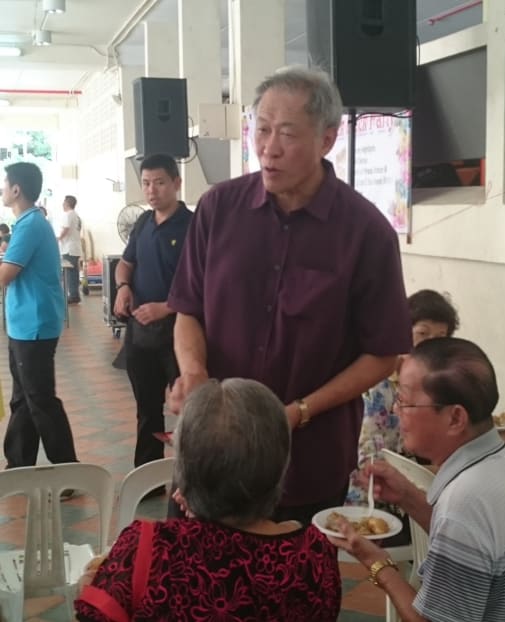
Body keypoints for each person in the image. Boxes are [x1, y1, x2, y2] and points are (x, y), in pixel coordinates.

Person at [167, 65, 411, 523]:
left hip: (306, 459)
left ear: (326, 139)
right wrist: (195, 375)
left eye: (287, 134)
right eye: (261, 130)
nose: (268, 148)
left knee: (290, 587)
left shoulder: (366, 234)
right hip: (211, 449)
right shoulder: (219, 209)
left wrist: (298, 412)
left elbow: (384, 354)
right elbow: (188, 309)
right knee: (190, 583)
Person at [330, 337, 505, 622]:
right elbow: (478, 542)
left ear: (456, 418)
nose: (396, 411)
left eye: (405, 401)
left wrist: (377, 564)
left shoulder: (465, 500)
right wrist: (408, 496)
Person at [74, 378, 341, 621]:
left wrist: (86, 591)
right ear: (280, 467)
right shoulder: (314, 554)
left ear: (184, 470)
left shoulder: (147, 547)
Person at [114, 154, 191, 481]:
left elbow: (202, 282)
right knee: (147, 410)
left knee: (188, 409)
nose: (152, 190)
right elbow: (126, 262)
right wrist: (122, 287)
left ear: (176, 183)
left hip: (180, 333)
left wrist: (166, 306)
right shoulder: (143, 223)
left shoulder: (193, 226)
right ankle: (147, 479)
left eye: (159, 182)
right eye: (146, 183)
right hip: (140, 333)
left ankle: (191, 479)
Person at [345, 289, 459, 508]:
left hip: (412, 486)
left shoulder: (441, 383)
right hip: (366, 487)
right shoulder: (378, 378)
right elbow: (366, 443)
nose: (430, 344)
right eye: (423, 334)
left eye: (440, 336)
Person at [0, 162, 78, 474]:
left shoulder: (31, 224)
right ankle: (19, 465)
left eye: (5, 184)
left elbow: (6, 273)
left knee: (40, 400)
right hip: (24, 325)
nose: (2, 189)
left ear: (17, 189)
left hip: (34, 326)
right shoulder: (27, 224)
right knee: (23, 399)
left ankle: (70, 472)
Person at [57, 194, 82, 304]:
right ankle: (75, 294)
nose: (62, 204)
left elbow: (66, 228)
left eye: (64, 202)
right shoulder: (76, 215)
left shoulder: (68, 215)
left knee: (70, 273)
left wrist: (58, 238)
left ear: (67, 203)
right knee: (74, 273)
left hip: (69, 248)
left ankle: (73, 296)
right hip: (75, 248)